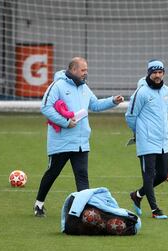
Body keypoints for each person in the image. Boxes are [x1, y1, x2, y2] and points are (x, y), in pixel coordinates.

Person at [34, 57, 124, 217]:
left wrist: (113, 101)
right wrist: (65, 122)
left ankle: (84, 211)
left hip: (81, 142)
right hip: (61, 141)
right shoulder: (57, 86)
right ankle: (39, 204)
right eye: (83, 70)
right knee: (52, 173)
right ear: (73, 69)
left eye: (86, 70)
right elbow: (46, 107)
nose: (86, 73)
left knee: (82, 175)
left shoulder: (84, 88)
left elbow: (95, 104)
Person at [125, 59, 168, 219]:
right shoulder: (142, 92)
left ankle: (137, 195)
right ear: (149, 73)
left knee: (163, 175)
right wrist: (139, 132)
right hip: (146, 141)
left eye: (160, 72)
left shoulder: (167, 91)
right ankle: (155, 209)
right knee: (149, 175)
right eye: (154, 73)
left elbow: (167, 112)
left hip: (163, 141)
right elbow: (130, 115)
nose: (157, 76)